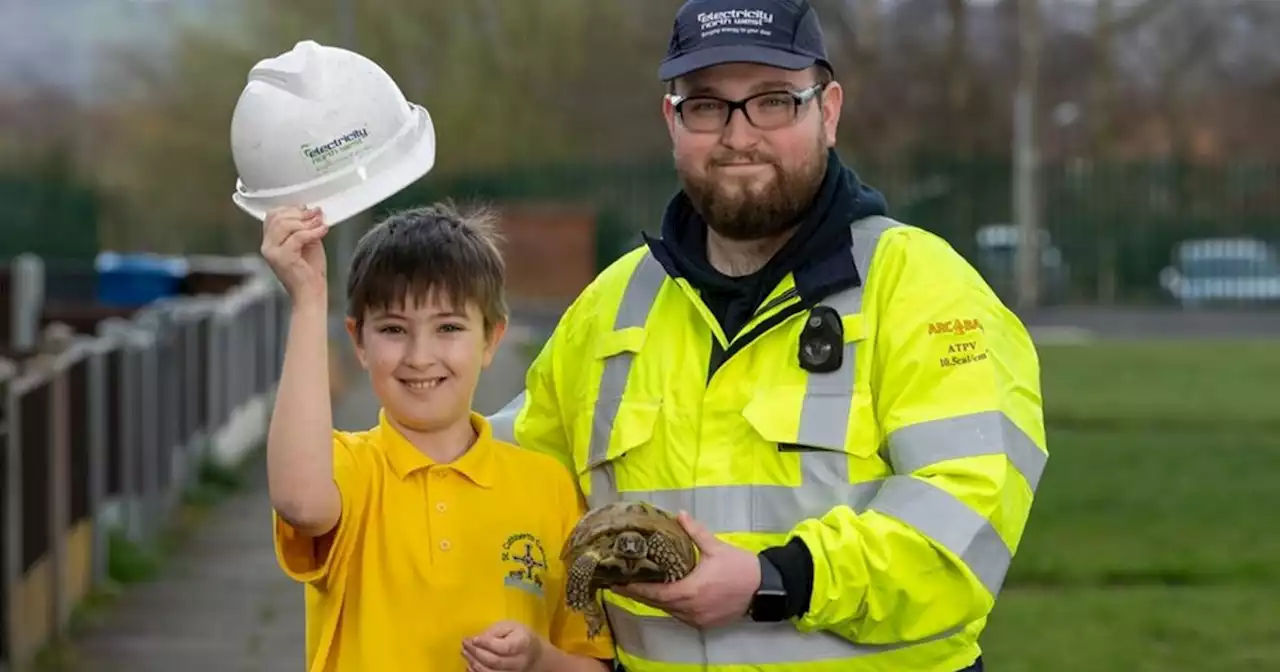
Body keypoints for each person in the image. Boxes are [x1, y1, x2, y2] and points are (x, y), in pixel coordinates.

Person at [488, 0, 1049, 670]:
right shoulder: (610, 307)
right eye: (706, 105)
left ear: (829, 111)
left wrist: (775, 578)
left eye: (773, 101)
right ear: (672, 120)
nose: (738, 134)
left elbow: (967, 519)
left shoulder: (924, 289)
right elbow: (500, 480)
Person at [260, 202, 615, 672]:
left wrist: (538, 659)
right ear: (359, 341)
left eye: (448, 327)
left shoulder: (549, 488)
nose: (420, 356)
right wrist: (308, 300)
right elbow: (300, 504)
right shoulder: (348, 469)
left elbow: (593, 662)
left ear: (491, 338)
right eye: (393, 329)